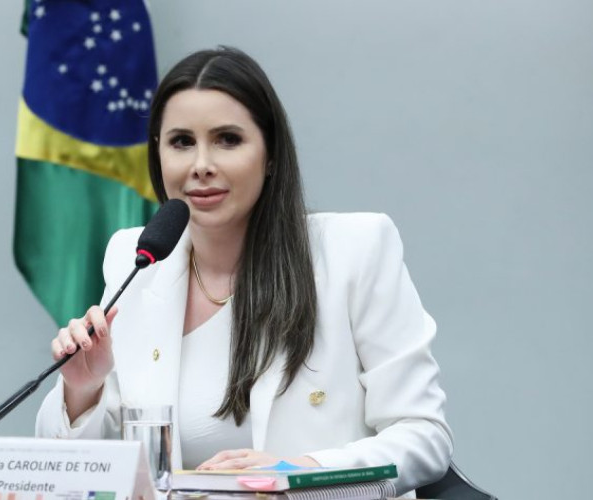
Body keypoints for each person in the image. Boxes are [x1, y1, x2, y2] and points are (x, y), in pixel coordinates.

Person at [36, 46, 453, 495]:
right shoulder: (136, 260)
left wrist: (298, 472)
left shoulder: (354, 251)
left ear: (270, 154)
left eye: (227, 140)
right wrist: (84, 390)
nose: (201, 165)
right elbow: (89, 472)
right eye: (181, 142)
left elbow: (424, 436)